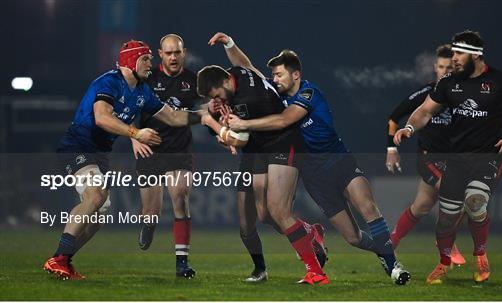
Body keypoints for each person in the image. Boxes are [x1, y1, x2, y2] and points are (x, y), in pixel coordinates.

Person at [219, 33, 411, 285]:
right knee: (352, 238)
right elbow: (248, 68)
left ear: (295, 75)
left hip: (338, 160)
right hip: (312, 174)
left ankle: (393, 265)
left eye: (279, 75)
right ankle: (384, 253)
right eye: (273, 76)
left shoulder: (308, 93)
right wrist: (230, 44)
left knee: (368, 207)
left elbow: (286, 119)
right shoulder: (275, 95)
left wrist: (244, 124)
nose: (274, 79)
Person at [43, 40, 202, 280]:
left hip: (100, 153)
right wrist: (136, 133)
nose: (151, 63)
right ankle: (60, 258)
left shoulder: (142, 90)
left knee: (99, 218)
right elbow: (102, 118)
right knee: (95, 196)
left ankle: (62, 258)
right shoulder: (109, 82)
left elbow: (173, 117)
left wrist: (205, 116)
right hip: (78, 146)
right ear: (131, 61)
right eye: (146, 59)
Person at [394, 30, 502, 284]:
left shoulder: (501, 82)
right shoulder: (449, 82)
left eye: (459, 53)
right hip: (455, 159)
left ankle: (480, 254)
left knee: (475, 201)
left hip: (488, 157)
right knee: (447, 218)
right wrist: (410, 128)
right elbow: (424, 111)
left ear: (476, 55)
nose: (454, 58)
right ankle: (443, 263)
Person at [198, 39, 329, 285]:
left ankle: (316, 272)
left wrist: (216, 125)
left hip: (282, 143)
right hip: (258, 149)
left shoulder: (249, 99)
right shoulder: (236, 74)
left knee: (279, 210)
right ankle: (308, 233)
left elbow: (240, 139)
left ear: (224, 82)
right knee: (261, 216)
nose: (218, 102)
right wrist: (230, 44)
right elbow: (244, 63)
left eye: (217, 96)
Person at [386, 44, 465, 266]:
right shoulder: (426, 94)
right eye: (441, 67)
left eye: (449, 67)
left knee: (421, 205)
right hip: (429, 158)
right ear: (435, 68)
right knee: (456, 193)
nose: (445, 71)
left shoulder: (464, 94)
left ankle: (391, 241)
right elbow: (394, 118)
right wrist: (392, 149)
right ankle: (447, 242)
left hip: (455, 160)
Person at [131, 34, 199, 278]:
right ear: (160, 53)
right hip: (150, 149)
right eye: (168, 53)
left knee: (180, 198)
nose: (173, 57)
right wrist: (134, 137)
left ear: (184, 53)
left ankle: (182, 262)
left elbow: (210, 106)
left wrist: (222, 131)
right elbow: (127, 108)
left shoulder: (194, 81)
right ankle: (148, 224)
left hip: (180, 150)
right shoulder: (148, 79)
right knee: (151, 210)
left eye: (177, 53)